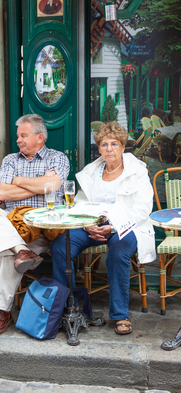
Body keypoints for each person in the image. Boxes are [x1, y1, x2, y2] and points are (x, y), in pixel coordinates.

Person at [51, 121, 156, 335]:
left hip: (126, 226)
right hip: (93, 224)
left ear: (122, 146)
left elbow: (143, 209)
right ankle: (71, 305)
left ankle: (120, 315)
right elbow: (80, 201)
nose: (109, 149)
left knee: (117, 253)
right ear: (98, 148)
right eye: (104, 144)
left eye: (114, 144)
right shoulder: (92, 172)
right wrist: (87, 223)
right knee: (61, 246)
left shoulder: (137, 171)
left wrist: (114, 227)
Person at [0, 114, 70, 336]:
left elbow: (53, 185)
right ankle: (22, 251)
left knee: (8, 253)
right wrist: (40, 184)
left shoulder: (58, 158)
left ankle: (1, 311)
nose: (18, 140)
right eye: (18, 136)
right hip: (12, 225)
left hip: (43, 227)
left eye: (23, 135)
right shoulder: (11, 160)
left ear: (40, 137)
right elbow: (2, 192)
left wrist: (18, 181)